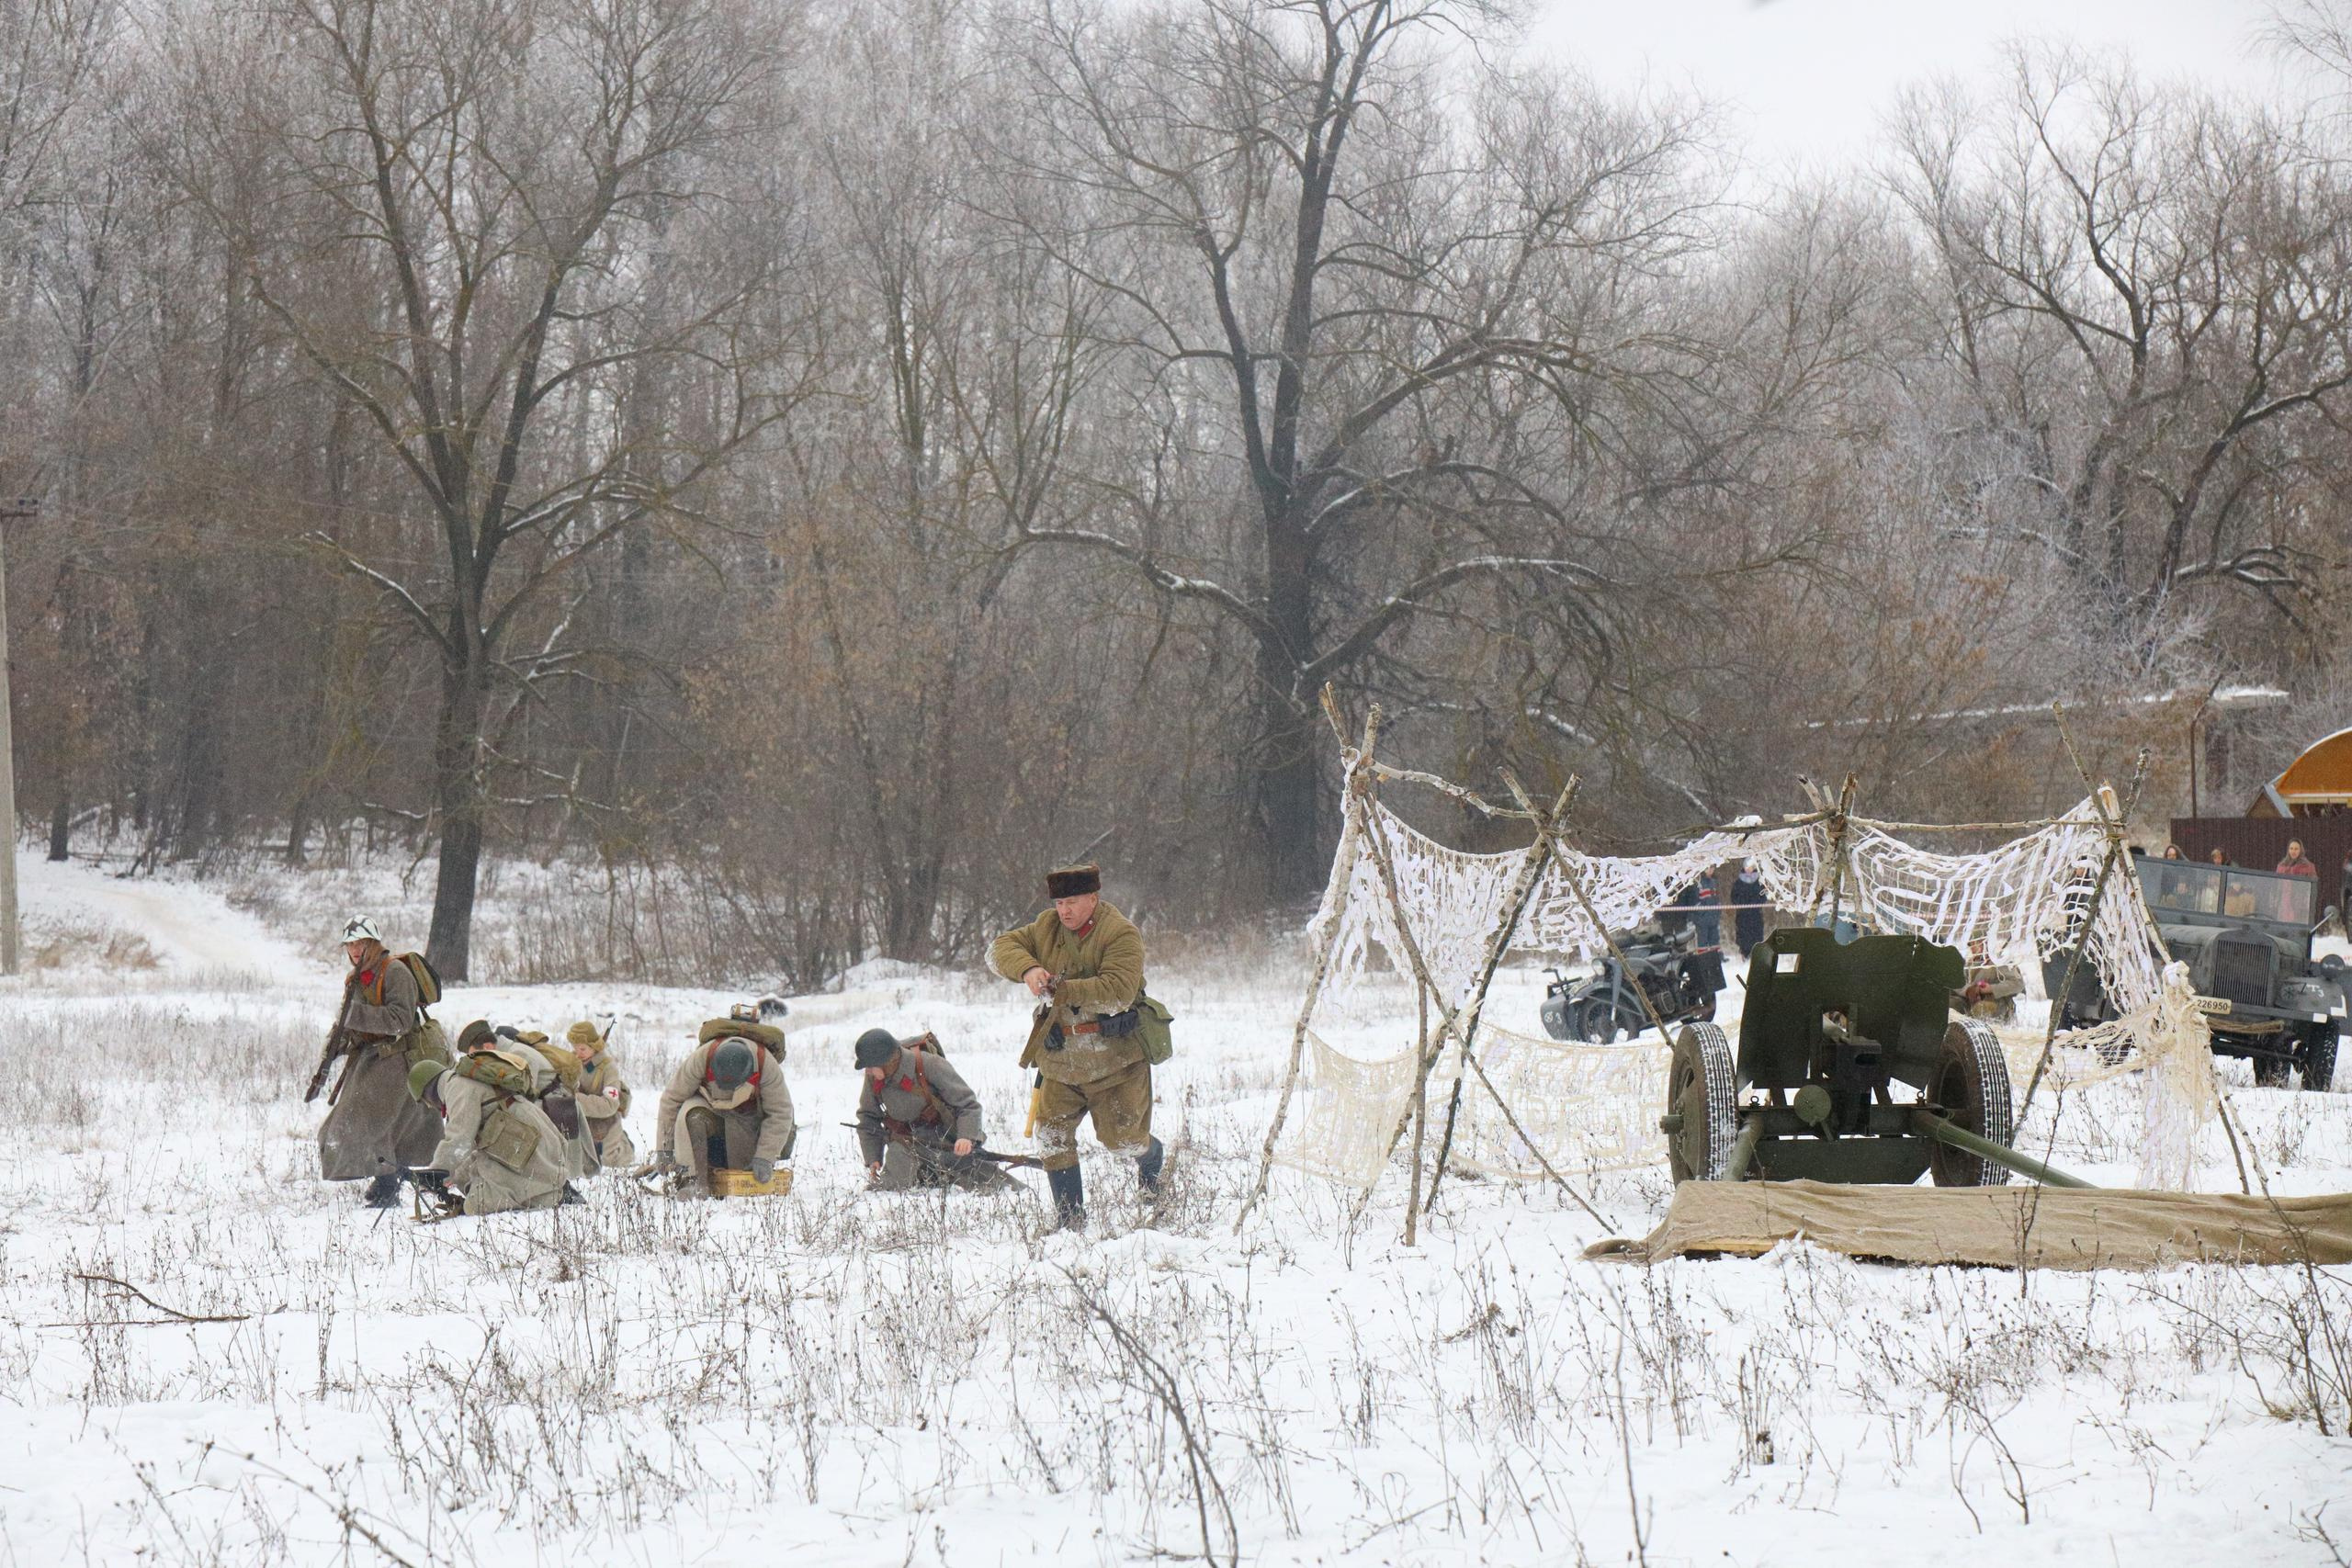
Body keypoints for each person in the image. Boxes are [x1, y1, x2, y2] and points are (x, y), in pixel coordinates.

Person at [989, 863, 1164, 1229]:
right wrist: (1028, 969)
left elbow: (1119, 991)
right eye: (1058, 903)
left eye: (1071, 902)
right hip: (1060, 1060)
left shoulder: (1120, 933)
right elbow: (998, 949)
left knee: (1125, 1142)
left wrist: (1061, 989)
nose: (1064, 911)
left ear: (1093, 899)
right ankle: (1071, 1222)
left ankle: (1151, 1158)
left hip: (1114, 1061)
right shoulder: (1046, 927)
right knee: (1051, 1136)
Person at [316, 917, 450, 1208]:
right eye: (350, 944)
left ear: (373, 944)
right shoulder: (356, 978)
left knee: (367, 1123)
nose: (354, 950)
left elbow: (401, 1021)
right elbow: (347, 1022)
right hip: (370, 1058)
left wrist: (353, 1017)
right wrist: (333, 1047)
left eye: (360, 943)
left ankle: (390, 1181)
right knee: (368, 1125)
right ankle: (389, 1179)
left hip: (399, 1059)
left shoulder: (396, 973)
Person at [405, 1038, 571, 1216]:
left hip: (523, 1138)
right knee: (468, 1178)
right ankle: (552, 1189)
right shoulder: (462, 1082)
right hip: (524, 1134)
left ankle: (552, 1194)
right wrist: (450, 1176)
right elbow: (473, 1148)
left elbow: (460, 1138)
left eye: (425, 1101)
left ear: (428, 1091)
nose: (430, 1106)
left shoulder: (457, 1087)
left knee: (476, 1205)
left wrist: (438, 1170)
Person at [854, 1029, 1020, 1193]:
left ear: (887, 1061)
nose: (867, 1072)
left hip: (944, 1141)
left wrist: (966, 1137)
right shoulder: (874, 1077)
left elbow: (968, 1104)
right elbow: (868, 1117)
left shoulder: (930, 1065)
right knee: (890, 1189)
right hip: (905, 1144)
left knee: (996, 1184)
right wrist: (873, 1157)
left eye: (870, 1066)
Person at [647, 1021, 796, 1195]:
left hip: (748, 1124)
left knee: (751, 1169)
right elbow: (671, 1099)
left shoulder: (766, 1064)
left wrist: (764, 1157)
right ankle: (693, 1180)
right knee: (691, 1112)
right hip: (711, 1117)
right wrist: (664, 1150)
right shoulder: (701, 1058)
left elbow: (781, 1113)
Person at [569, 1021, 635, 1172]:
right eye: (575, 1048)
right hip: (582, 1121)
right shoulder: (572, 1063)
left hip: (607, 1122)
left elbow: (610, 1105)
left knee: (611, 1161)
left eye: (583, 1049)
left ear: (594, 1047)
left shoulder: (608, 1068)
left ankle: (625, 1144)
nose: (577, 1053)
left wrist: (576, 1099)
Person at [1730, 863, 1766, 955]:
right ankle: (1744, 954)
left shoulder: (1759, 882)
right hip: (1743, 915)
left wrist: (1755, 902)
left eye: (1751, 867)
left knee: (1756, 936)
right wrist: (1743, 902)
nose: (1749, 869)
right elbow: (1734, 898)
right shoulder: (1738, 882)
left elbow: (1763, 896)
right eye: (1747, 867)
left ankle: (1756, 954)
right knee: (1744, 936)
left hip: (1755, 915)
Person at [1691, 874, 1721, 948]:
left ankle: (1716, 957)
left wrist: (1717, 912)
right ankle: (1703, 958)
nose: (1710, 870)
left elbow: (1717, 898)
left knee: (1715, 940)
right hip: (1702, 919)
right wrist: (1701, 913)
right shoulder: (1697, 882)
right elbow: (1693, 900)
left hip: (1713, 917)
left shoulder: (1714, 882)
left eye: (1712, 868)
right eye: (1708, 868)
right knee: (1702, 941)